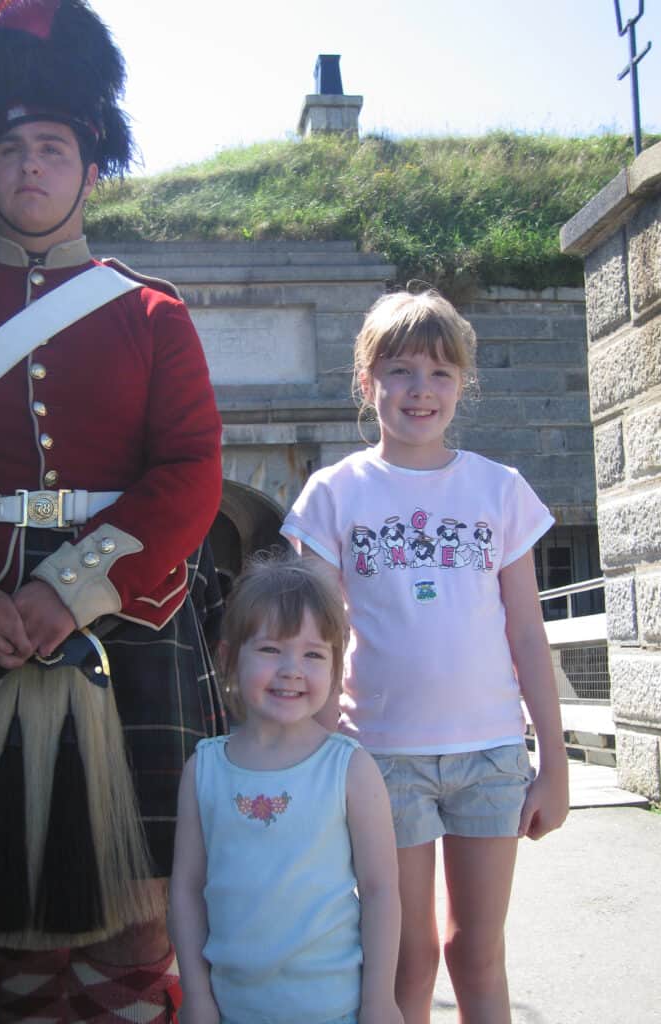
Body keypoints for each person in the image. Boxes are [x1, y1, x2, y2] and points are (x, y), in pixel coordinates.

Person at [0, 2, 224, 1021]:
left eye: (53, 148)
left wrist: (73, 584)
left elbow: (190, 470)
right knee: (7, 944)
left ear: (92, 168)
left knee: (137, 934)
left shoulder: (152, 313)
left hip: (123, 621)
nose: (30, 167)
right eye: (11, 149)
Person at [281, 289, 569, 1024]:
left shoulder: (499, 491)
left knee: (477, 953)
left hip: (493, 757)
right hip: (381, 760)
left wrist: (554, 764)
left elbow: (527, 634)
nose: (420, 391)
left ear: (463, 385)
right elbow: (311, 638)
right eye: (401, 371)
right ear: (365, 381)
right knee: (408, 960)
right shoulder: (332, 495)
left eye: (441, 374)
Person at [169, 551, 404, 1024]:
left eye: (314, 654)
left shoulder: (350, 769)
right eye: (271, 649)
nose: (292, 669)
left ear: (336, 668)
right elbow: (186, 890)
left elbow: (380, 891)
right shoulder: (204, 769)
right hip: (230, 1009)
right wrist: (195, 995)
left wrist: (381, 1000)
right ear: (230, 658)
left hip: (335, 1009)